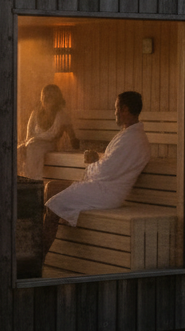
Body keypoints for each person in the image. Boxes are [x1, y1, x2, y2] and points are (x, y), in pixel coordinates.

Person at [42, 91, 151, 256]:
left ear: (125, 109)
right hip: (102, 188)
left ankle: (39, 258)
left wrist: (93, 163)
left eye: (116, 108)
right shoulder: (129, 136)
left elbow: (106, 170)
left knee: (52, 206)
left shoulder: (133, 140)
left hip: (106, 193)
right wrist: (97, 159)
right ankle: (40, 252)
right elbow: (112, 165)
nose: (114, 112)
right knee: (51, 188)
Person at [18, 83, 79, 179]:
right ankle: (20, 180)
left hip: (49, 145)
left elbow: (73, 138)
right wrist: (25, 146)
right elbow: (28, 136)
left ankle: (33, 180)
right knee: (18, 151)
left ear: (57, 99)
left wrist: (74, 143)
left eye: (50, 96)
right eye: (44, 96)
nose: (46, 99)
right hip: (32, 144)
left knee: (33, 149)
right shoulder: (35, 114)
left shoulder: (62, 116)